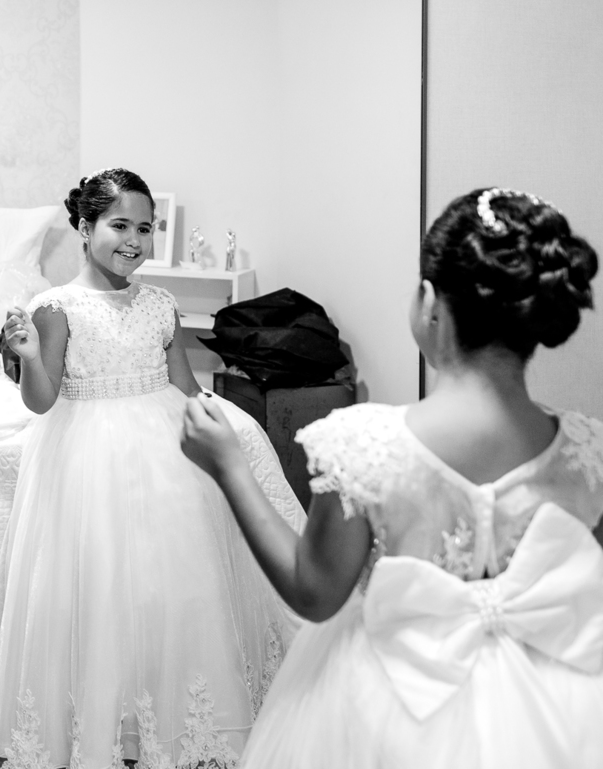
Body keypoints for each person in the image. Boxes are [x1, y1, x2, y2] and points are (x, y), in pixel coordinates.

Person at [180, 188, 603, 767]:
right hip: (558, 707)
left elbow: (314, 593)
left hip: (385, 704)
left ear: (429, 302)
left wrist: (229, 466)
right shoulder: (589, 452)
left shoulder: (363, 445)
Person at [0, 169, 305, 767]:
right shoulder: (57, 306)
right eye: (119, 225)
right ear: (84, 226)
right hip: (86, 454)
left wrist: (221, 431)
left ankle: (167, 712)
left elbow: (183, 384)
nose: (134, 240)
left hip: (163, 451)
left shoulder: (159, 303)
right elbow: (43, 399)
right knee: (100, 581)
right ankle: (105, 719)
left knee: (169, 582)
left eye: (145, 228)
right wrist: (25, 360)